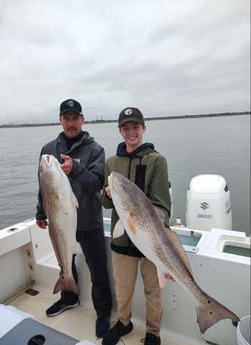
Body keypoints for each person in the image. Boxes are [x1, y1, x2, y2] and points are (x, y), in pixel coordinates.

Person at [35, 98, 112, 338]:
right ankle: (69, 296)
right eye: (66, 118)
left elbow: (98, 184)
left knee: (98, 269)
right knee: (64, 262)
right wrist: (40, 211)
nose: (70, 123)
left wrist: (76, 169)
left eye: (74, 118)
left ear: (82, 120)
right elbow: (43, 186)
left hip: (89, 221)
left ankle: (103, 313)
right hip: (59, 219)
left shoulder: (95, 150)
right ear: (60, 120)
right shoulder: (48, 150)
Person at [101, 107, 172, 345]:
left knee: (153, 289)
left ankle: (153, 332)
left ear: (144, 127)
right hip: (121, 241)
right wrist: (109, 195)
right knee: (123, 288)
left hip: (151, 241)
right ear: (120, 131)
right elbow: (104, 202)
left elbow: (162, 205)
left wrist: (153, 234)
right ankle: (123, 322)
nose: (131, 132)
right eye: (126, 128)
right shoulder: (111, 162)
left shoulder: (157, 161)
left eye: (135, 127)